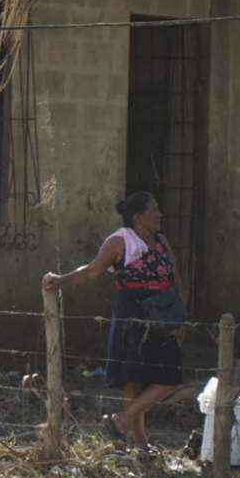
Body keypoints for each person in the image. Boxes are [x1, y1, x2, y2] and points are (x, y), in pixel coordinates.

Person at [42, 191, 185, 447]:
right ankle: (141, 445)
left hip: (163, 318)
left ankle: (122, 419)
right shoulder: (120, 241)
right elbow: (91, 271)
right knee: (134, 379)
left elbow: (174, 276)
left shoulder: (161, 241)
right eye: (154, 209)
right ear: (138, 216)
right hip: (133, 317)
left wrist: (180, 315)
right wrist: (60, 280)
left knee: (170, 378)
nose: (159, 214)